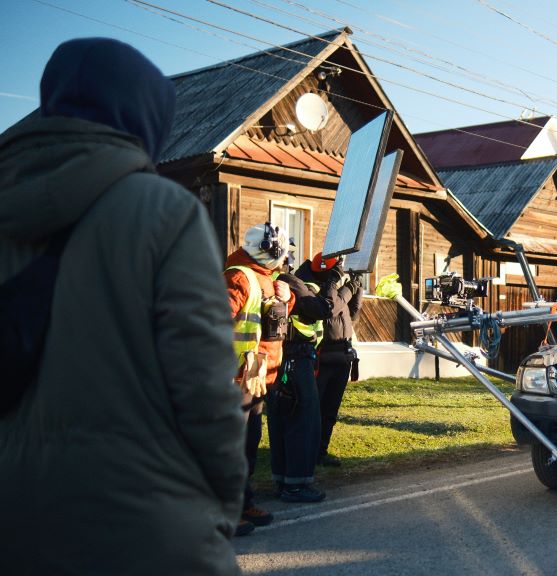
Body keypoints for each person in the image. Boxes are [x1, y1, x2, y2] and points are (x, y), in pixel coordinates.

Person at [0, 38, 246, 574]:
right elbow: (205, 388)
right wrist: (225, 501)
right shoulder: (163, 211)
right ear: (143, 116)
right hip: (144, 525)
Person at [224, 223, 295, 535]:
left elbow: (273, 320)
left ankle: (243, 502)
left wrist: (288, 297)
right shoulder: (239, 276)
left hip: (257, 378)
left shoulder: (267, 279)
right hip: (234, 379)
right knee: (231, 448)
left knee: (248, 445)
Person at [266, 270, 336, 502]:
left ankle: (282, 481)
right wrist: (331, 282)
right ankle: (296, 486)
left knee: (280, 422)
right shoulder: (288, 280)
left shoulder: (266, 280)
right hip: (296, 358)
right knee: (303, 423)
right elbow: (322, 309)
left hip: (276, 359)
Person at [296, 252, 362, 467]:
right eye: (336, 271)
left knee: (330, 411)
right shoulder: (311, 287)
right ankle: (308, 452)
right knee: (314, 411)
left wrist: (357, 287)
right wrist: (347, 287)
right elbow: (331, 306)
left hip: (342, 356)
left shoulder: (332, 288)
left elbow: (352, 314)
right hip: (321, 358)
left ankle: (321, 451)